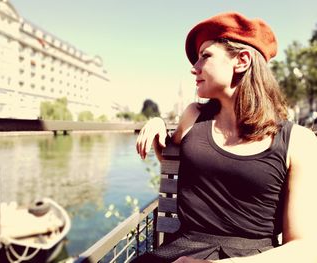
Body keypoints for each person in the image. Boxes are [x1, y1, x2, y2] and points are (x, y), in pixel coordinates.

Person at [135, 12, 317, 263]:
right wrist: (157, 124)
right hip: (179, 252)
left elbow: (306, 248)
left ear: (242, 60)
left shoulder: (299, 142)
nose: (194, 68)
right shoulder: (193, 116)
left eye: (205, 56)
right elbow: (175, 160)